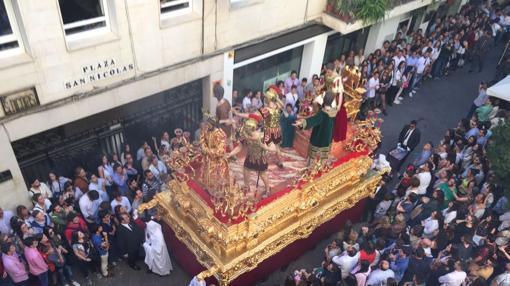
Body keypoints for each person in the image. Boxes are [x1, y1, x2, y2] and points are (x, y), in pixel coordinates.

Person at [226, 117, 275, 196]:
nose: (244, 132)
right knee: (246, 170)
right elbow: (239, 147)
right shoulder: (245, 136)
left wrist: (266, 148)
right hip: (250, 156)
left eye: (246, 130)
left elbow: (274, 148)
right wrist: (231, 154)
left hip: (261, 158)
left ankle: (268, 189)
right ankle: (246, 186)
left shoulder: (263, 137)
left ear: (252, 129)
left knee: (262, 174)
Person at [294, 91, 338, 164]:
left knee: (313, 155)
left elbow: (312, 121)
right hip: (327, 137)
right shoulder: (334, 111)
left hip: (318, 136)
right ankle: (323, 166)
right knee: (324, 154)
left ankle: (311, 167)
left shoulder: (322, 114)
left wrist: (301, 123)